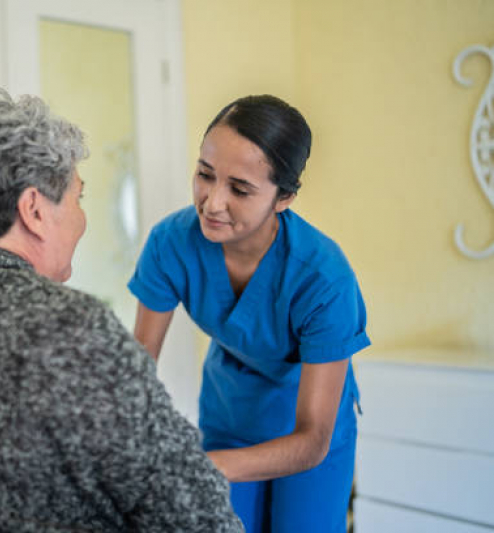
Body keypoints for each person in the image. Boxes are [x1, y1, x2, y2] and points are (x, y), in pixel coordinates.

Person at [0, 87, 244, 533]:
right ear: (33, 210)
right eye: (77, 198)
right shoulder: (69, 327)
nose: (81, 219)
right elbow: (197, 515)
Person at [128, 94, 369, 533]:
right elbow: (135, 371)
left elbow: (312, 439)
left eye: (239, 189)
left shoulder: (324, 279)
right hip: (229, 412)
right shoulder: (171, 244)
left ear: (284, 198)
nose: (212, 202)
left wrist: (199, 466)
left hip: (308, 430)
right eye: (205, 175)